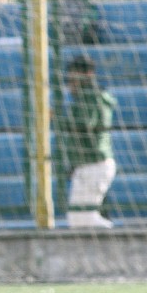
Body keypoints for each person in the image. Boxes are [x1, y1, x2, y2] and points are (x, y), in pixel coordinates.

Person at [60, 55, 117, 229]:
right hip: (90, 165)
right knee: (80, 219)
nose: (71, 83)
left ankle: (114, 242)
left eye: (73, 78)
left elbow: (84, 125)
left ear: (88, 74)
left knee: (81, 221)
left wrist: (57, 119)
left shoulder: (90, 96)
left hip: (94, 165)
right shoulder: (90, 96)